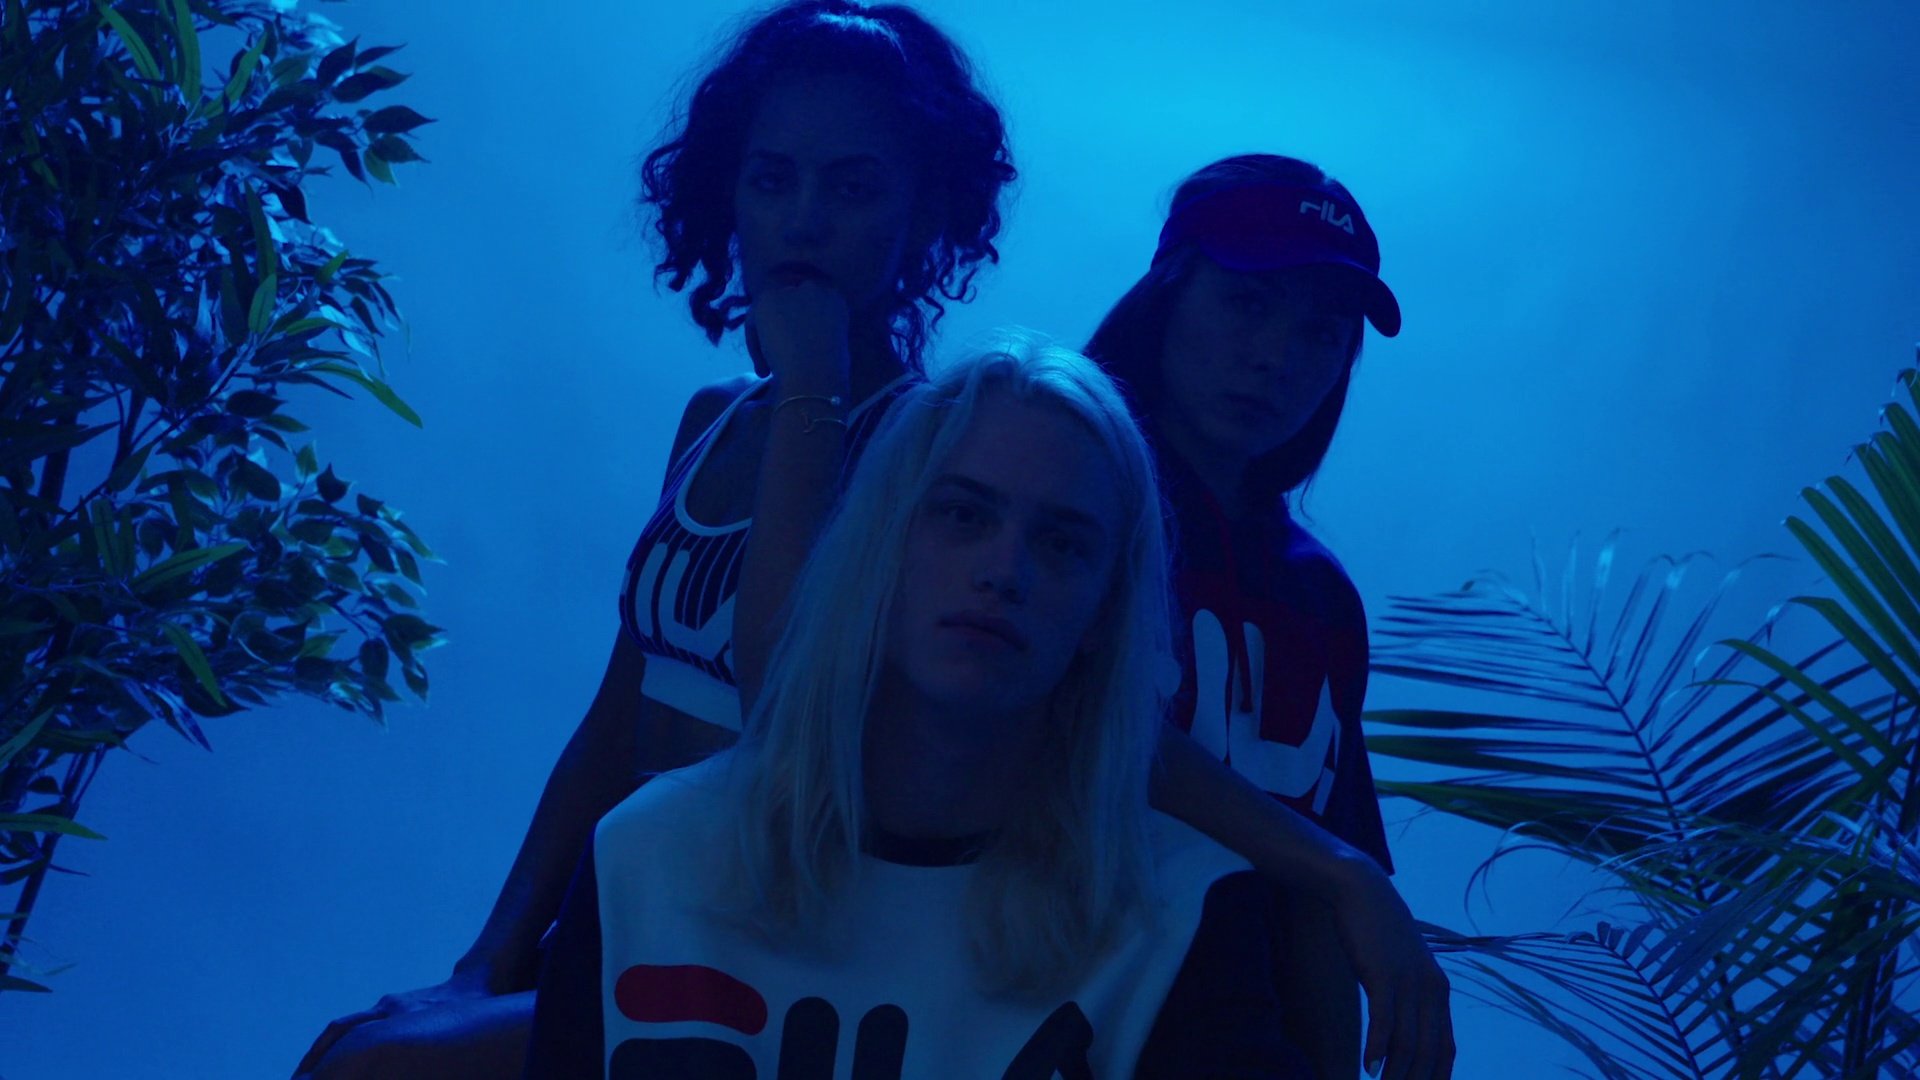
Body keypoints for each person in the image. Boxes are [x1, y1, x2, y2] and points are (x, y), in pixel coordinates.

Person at [293, 5, 1449, 1078]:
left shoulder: (937, 459)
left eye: (851, 187)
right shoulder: (720, 423)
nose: (805, 219)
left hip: (796, 933)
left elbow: (791, 696)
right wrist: (490, 955)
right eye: (773, 179)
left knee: (368, 1072)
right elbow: (615, 714)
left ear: (923, 213)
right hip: (645, 908)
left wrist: (814, 380)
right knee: (366, 1050)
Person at [523, 337, 1307, 1079]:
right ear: (883, 541)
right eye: (964, 514)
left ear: (1106, 610)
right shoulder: (643, 860)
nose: (1004, 570)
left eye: (1063, 543)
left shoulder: (1179, 917)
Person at [1084, 153, 1451, 1079]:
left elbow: (1321, 908)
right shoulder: (1067, 502)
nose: (1278, 359)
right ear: (1168, 293)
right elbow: (1074, 725)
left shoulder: (1315, 592)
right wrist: (1338, 869)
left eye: (1322, 333)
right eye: (1248, 303)